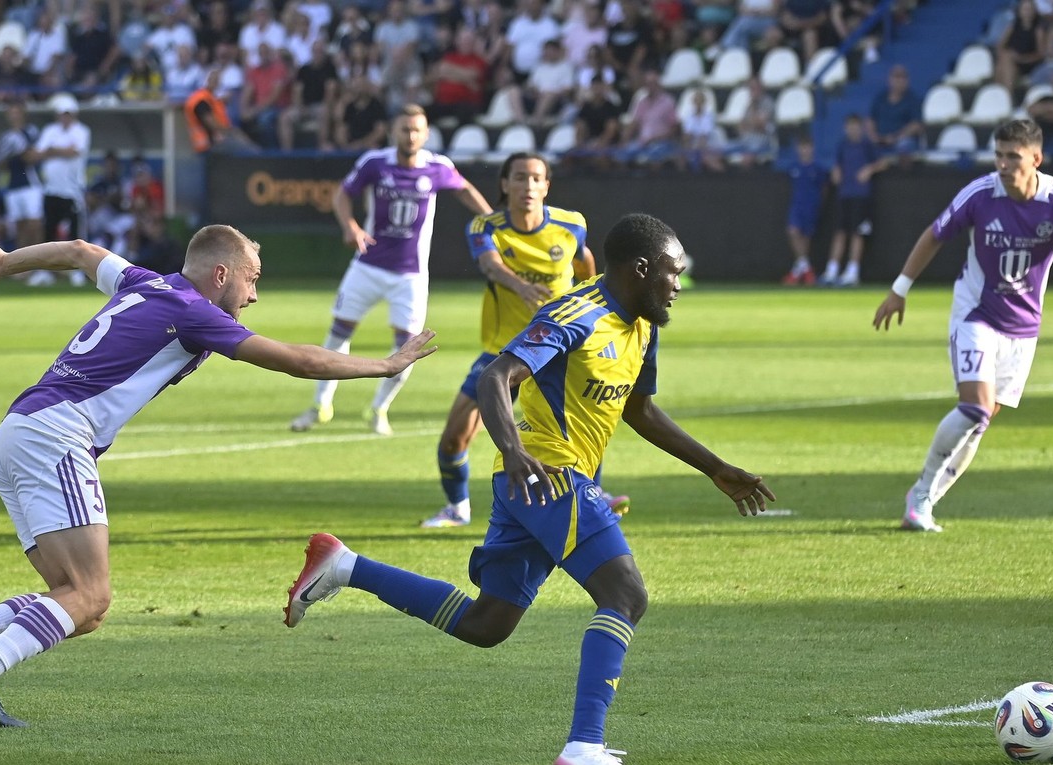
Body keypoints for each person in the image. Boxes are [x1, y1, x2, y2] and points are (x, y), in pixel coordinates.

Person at [0, 222, 439, 727]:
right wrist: (384, 365)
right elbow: (300, 359)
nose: (254, 296)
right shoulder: (194, 311)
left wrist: (5, 260)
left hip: (19, 431)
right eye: (252, 279)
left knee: (74, 601)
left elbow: (81, 251)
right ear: (221, 274)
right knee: (90, 596)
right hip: (57, 437)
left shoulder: (143, 281)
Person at [284, 213, 774, 765]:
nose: (679, 285)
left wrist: (714, 467)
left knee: (485, 624)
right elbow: (497, 375)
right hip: (547, 473)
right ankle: (584, 746)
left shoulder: (642, 324)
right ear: (641, 269)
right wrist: (514, 448)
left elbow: (639, 409)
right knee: (626, 595)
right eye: (672, 272)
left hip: (541, 483)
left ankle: (345, 566)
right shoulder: (576, 314)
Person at [872, 118, 1053, 533]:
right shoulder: (981, 194)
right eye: (998, 155)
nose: (1003, 164)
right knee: (974, 407)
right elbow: (934, 235)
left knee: (980, 421)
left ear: (1036, 158)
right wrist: (900, 289)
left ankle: (924, 500)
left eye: (1013, 157)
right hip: (976, 315)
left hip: (1023, 330)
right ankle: (921, 493)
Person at [421, 152, 616, 528]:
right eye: (520, 177)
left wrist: (589, 302)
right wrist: (521, 286)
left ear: (546, 186)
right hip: (504, 352)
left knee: (577, 430)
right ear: (505, 184)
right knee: (453, 438)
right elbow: (490, 265)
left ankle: (593, 497)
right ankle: (458, 508)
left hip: (559, 351)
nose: (528, 186)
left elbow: (586, 266)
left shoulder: (571, 225)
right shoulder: (485, 226)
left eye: (535, 178)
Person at [289, 105, 491, 436]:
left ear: (425, 134)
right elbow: (343, 193)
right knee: (340, 331)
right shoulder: (374, 163)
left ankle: (379, 408)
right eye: (404, 129)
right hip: (367, 264)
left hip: (410, 274)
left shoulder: (437, 167)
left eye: (416, 130)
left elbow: (465, 190)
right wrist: (350, 226)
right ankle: (320, 404)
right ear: (392, 132)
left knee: (406, 346)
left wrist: (491, 221)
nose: (410, 135)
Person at [27, 93, 92, 287]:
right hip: (51, 190)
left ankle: (78, 272)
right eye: (62, 114)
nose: (65, 118)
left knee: (75, 235)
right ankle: (45, 272)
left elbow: (74, 151)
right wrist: (57, 151)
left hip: (72, 191)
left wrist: (51, 151)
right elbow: (37, 154)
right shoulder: (50, 130)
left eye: (68, 114)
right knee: (47, 233)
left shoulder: (82, 131)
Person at [819, 113, 882, 287]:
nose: (852, 130)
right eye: (849, 127)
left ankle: (853, 271)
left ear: (860, 128)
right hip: (844, 194)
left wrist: (868, 170)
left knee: (857, 232)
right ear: (845, 128)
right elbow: (837, 164)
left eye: (855, 126)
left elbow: (883, 161)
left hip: (861, 195)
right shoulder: (842, 145)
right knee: (840, 232)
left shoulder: (866, 145)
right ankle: (832, 270)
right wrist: (836, 171)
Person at [0, 100, 44, 249]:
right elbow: (1, 165)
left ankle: (40, 264)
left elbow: (33, 156)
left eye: (17, 112)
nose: (14, 115)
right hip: (13, 185)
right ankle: (23, 266)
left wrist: (15, 153)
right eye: (11, 112)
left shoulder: (30, 131)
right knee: (19, 227)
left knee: (34, 224)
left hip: (30, 183)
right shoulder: (5, 137)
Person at [781, 135, 826, 286]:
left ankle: (797, 273)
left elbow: (824, 188)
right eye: (802, 147)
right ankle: (806, 270)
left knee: (806, 239)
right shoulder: (794, 168)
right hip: (797, 206)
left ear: (812, 148)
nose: (804, 150)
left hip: (811, 206)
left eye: (807, 146)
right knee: (793, 231)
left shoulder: (817, 169)